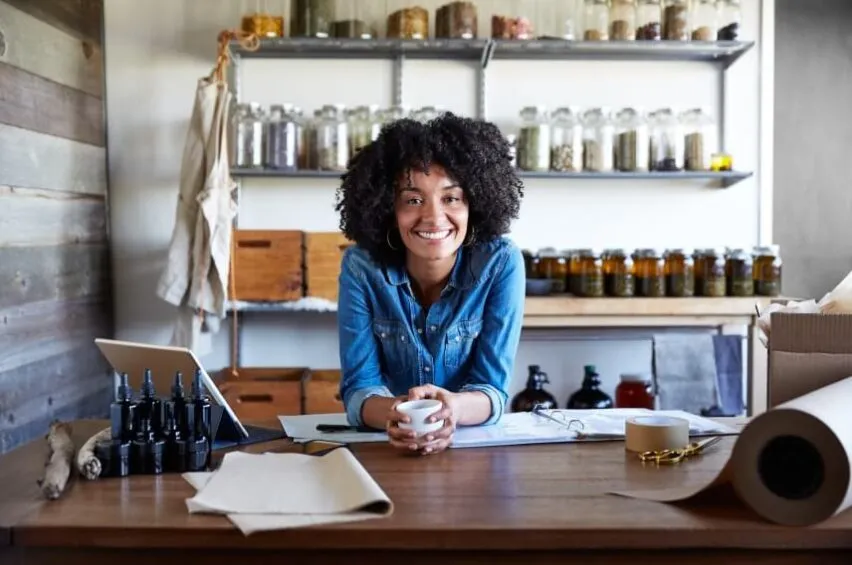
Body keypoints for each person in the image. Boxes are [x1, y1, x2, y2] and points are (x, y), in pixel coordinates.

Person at [334, 112, 526, 455]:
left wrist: (452, 409)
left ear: (475, 203)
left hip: (475, 452)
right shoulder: (362, 267)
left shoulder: (501, 263)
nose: (434, 218)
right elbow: (359, 389)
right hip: (389, 451)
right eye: (413, 199)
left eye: (450, 198)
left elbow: (492, 389)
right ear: (387, 208)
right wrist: (395, 415)